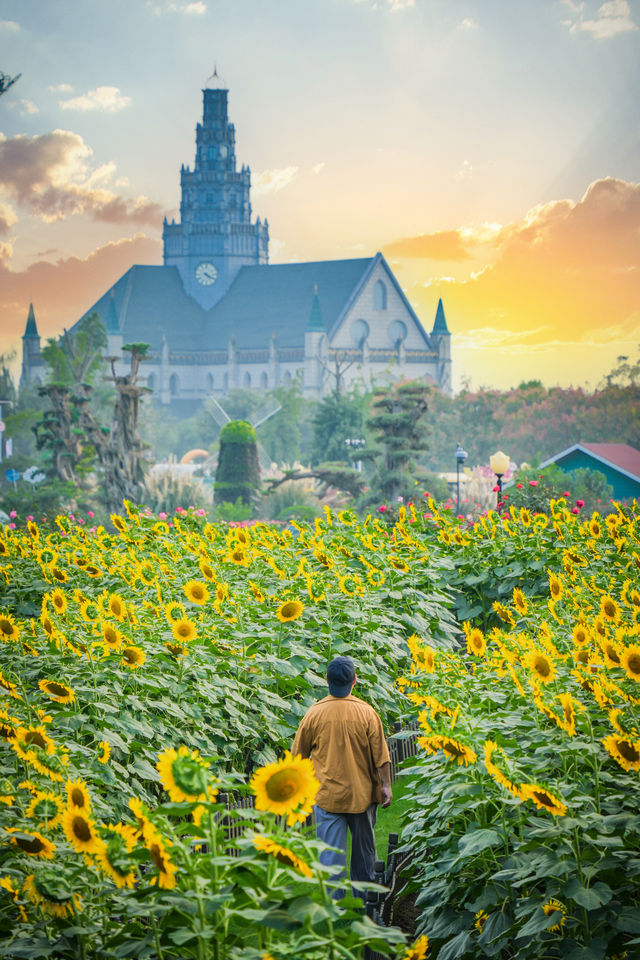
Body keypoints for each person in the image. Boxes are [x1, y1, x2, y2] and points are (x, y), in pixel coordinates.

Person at [291, 655, 392, 894]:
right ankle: (366, 902)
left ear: (326, 679)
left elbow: (297, 758)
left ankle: (334, 909)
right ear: (354, 680)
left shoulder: (313, 714)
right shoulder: (367, 713)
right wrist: (385, 785)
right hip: (363, 796)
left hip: (327, 798)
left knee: (329, 857)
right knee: (365, 856)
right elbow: (382, 757)